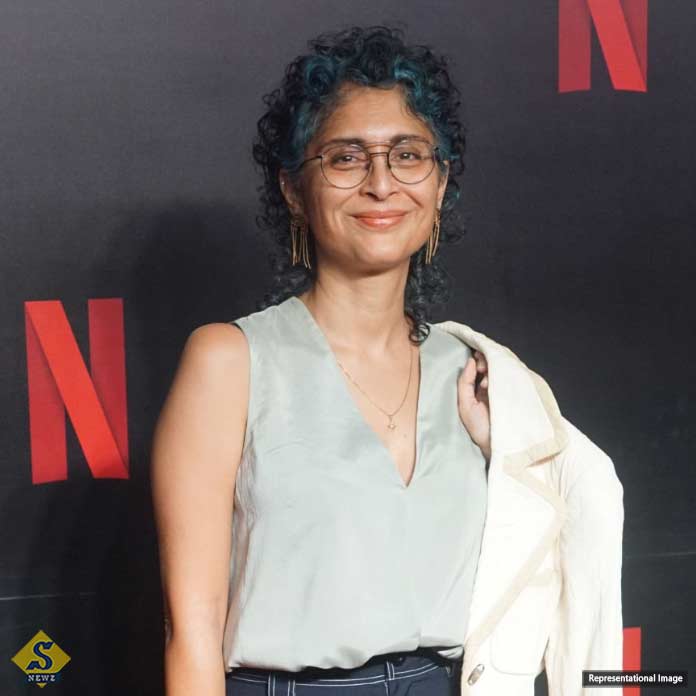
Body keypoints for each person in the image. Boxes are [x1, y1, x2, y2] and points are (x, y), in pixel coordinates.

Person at [150, 24, 623, 696]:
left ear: (440, 183)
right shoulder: (230, 361)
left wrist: (507, 454)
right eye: (346, 158)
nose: (381, 184)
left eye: (407, 155)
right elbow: (192, 633)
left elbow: (577, 521)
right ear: (293, 188)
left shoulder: (481, 376)